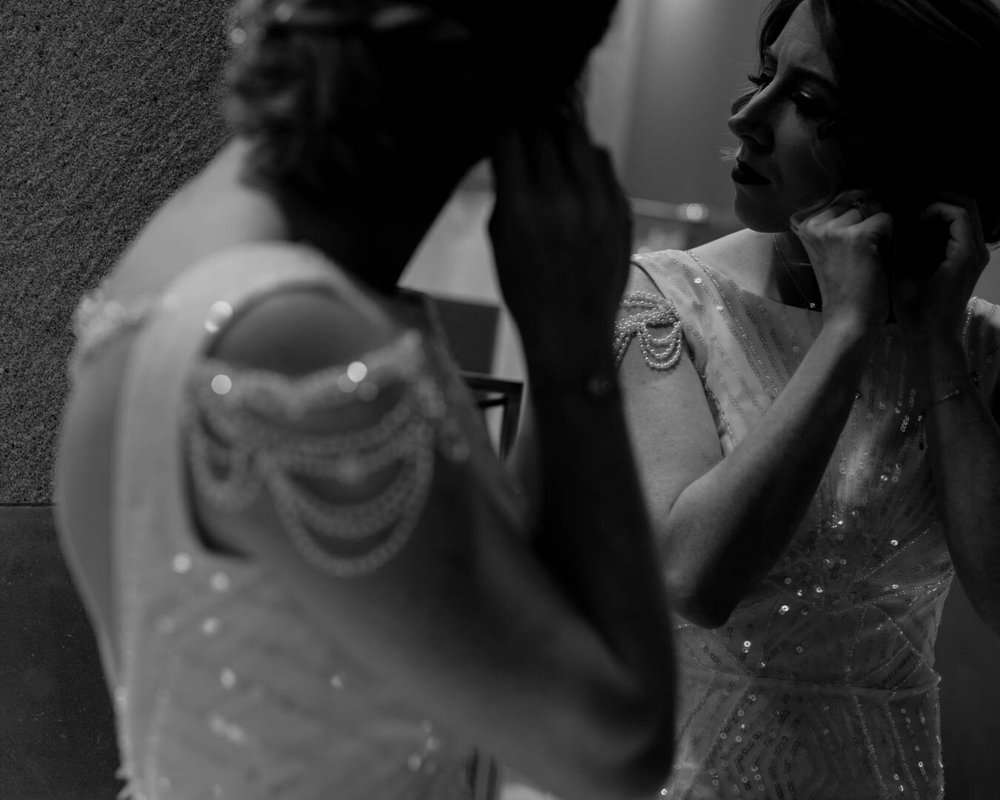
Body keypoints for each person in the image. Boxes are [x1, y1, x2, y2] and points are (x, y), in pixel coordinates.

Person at [53, 2, 678, 799]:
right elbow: (615, 745)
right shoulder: (289, 334)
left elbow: (497, 603)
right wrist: (575, 352)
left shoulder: (201, 243)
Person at [612, 0, 1000, 797]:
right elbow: (694, 578)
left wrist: (933, 343)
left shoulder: (978, 348)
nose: (747, 115)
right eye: (763, 76)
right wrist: (847, 330)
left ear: (909, 144)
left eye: (809, 102)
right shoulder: (666, 301)